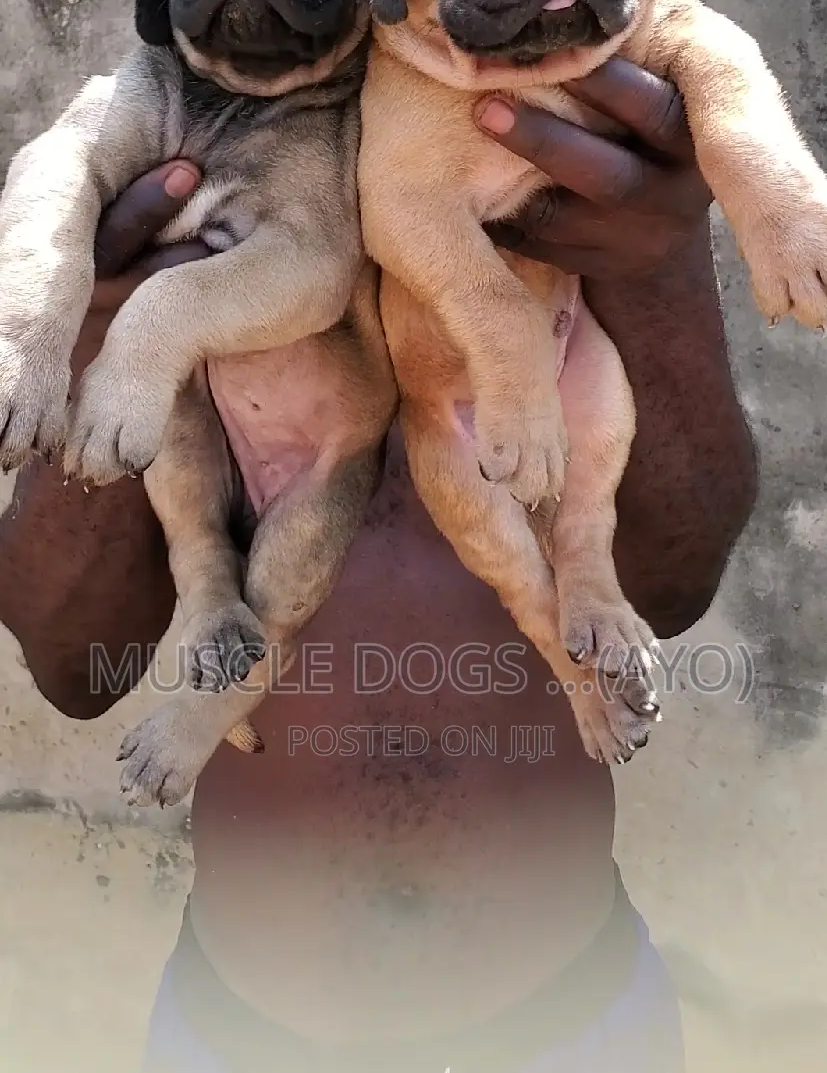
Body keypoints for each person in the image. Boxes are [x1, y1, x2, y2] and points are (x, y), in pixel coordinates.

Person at [0, 58, 757, 1072]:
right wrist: (103, 318)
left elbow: (673, 582)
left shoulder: (558, 159)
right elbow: (67, 658)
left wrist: (656, 261)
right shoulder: (194, 166)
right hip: (246, 1039)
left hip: (568, 1030)